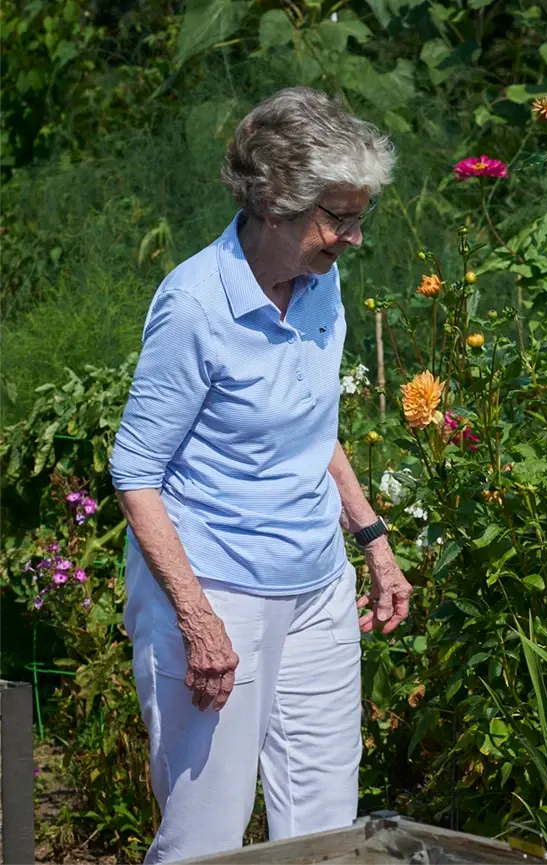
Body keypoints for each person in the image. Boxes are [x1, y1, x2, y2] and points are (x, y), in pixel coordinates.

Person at [109, 87, 412, 864]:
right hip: (216, 593)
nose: (350, 237)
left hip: (314, 587)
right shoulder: (194, 304)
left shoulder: (322, 281)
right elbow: (135, 471)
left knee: (326, 833)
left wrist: (372, 538)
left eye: (358, 217)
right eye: (336, 217)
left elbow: (313, 423)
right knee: (204, 838)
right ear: (274, 203)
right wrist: (196, 619)